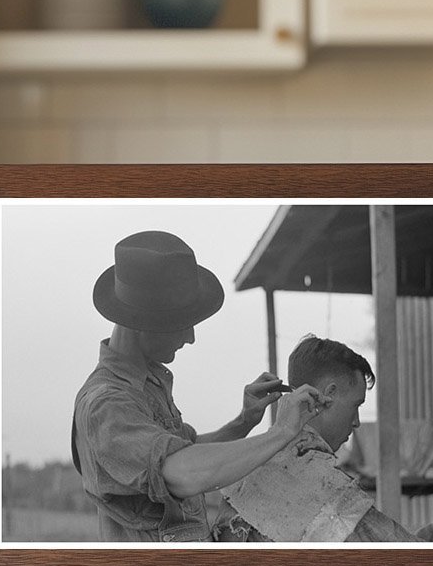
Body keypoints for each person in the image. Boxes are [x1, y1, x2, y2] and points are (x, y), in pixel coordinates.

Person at [72, 230, 329, 542]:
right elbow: (183, 473)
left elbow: (189, 454)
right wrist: (281, 432)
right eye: (184, 322)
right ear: (144, 321)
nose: (190, 337)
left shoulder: (147, 384)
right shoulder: (106, 405)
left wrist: (244, 421)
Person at [215, 336, 433, 543]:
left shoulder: (245, 467)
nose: (357, 421)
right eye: (356, 405)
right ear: (328, 395)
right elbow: (404, 559)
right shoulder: (321, 481)